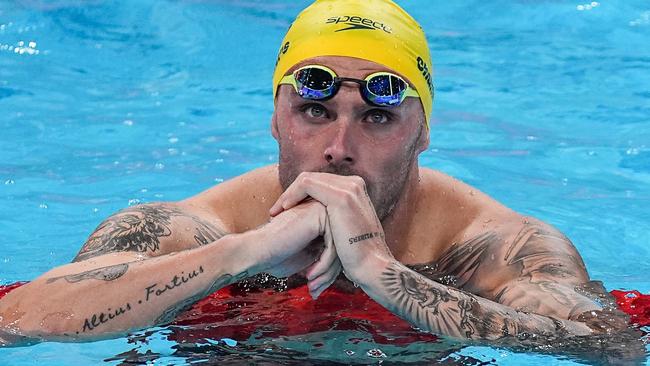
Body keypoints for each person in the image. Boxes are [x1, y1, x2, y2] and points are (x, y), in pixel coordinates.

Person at [0, 0, 628, 346]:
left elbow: (612, 346)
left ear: (425, 131)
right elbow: (14, 323)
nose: (338, 146)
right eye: (315, 112)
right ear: (275, 118)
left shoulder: (495, 246)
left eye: (377, 119)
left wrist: (382, 274)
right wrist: (240, 254)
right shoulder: (188, 229)